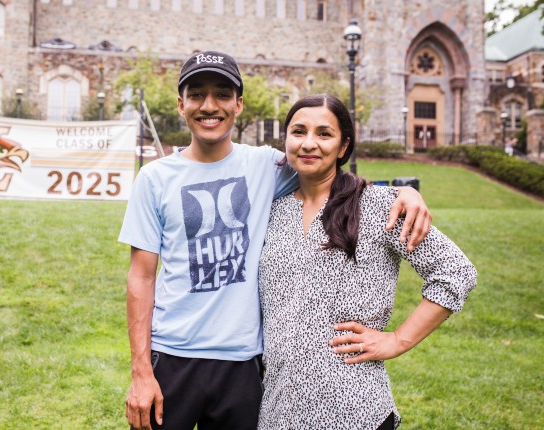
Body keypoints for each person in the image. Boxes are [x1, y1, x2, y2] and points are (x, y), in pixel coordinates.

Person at [118, 51, 432, 430]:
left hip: (245, 364)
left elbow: (327, 175)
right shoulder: (154, 179)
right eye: (197, 94)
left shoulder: (267, 165)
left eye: (222, 94)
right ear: (180, 104)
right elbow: (141, 278)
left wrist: (403, 193)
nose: (209, 106)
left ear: (239, 104)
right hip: (172, 357)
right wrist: (140, 371)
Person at [257, 94, 477, 429]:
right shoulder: (270, 210)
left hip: (354, 408)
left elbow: (455, 272)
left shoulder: (377, 207)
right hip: (277, 410)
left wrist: (397, 340)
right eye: (298, 131)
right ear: (285, 139)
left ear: (343, 147)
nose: (309, 143)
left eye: (324, 134)